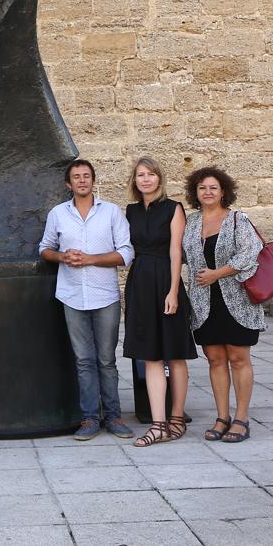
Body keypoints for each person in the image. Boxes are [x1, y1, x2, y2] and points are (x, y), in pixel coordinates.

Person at [39, 159, 135, 440]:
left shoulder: (112, 213)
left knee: (106, 360)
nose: (82, 180)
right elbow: (44, 248)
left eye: (86, 176)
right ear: (68, 184)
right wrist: (61, 256)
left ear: (93, 181)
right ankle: (89, 418)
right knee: (83, 360)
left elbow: (126, 252)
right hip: (71, 296)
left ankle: (114, 417)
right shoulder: (58, 213)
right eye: (76, 177)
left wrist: (91, 259)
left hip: (105, 296)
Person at [182, 166, 265, 444]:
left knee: (239, 359)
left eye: (213, 188)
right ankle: (222, 417)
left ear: (223, 192)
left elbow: (251, 252)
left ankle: (241, 418)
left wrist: (218, 272)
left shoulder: (237, 220)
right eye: (202, 188)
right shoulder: (190, 223)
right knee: (215, 359)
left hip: (237, 300)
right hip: (204, 302)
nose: (207, 192)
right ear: (195, 192)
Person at [122, 157, 196, 447]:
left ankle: (177, 418)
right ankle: (158, 424)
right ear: (134, 181)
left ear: (159, 179)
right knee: (150, 354)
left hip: (166, 279)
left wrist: (174, 291)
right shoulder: (129, 212)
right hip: (139, 282)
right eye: (140, 175)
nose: (145, 179)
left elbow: (176, 252)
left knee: (174, 353)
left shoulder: (173, 208)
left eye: (151, 174)